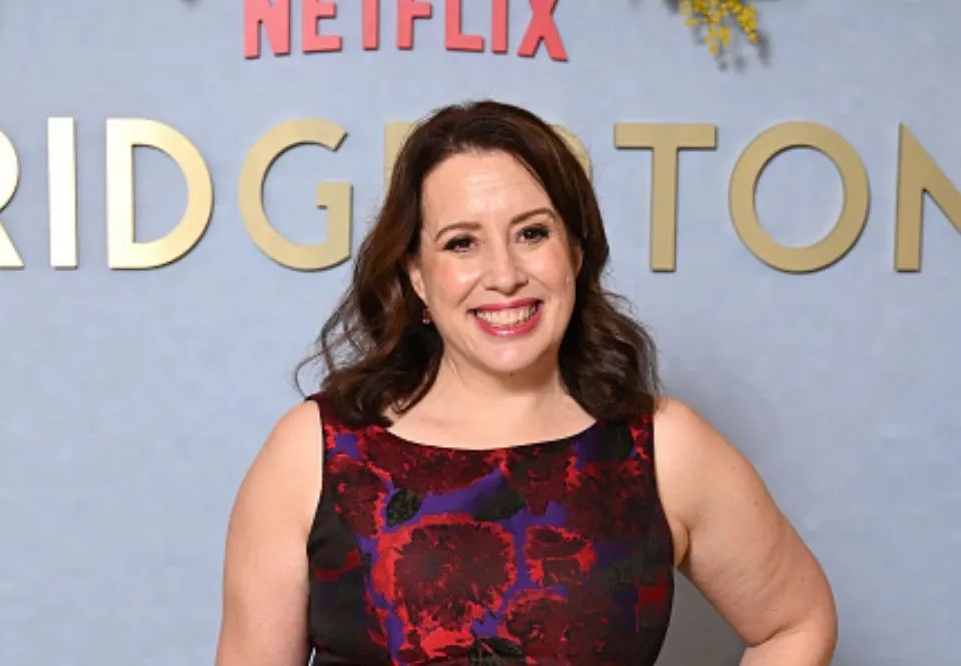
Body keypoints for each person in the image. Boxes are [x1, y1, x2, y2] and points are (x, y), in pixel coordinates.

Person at [214, 100, 838, 665]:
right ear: (417, 276)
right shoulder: (314, 450)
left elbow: (796, 623)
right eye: (462, 243)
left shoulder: (663, 447)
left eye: (532, 233)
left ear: (575, 253)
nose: (505, 274)